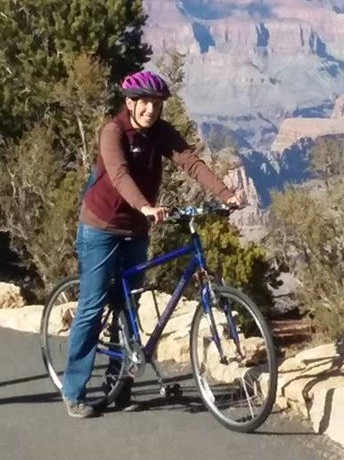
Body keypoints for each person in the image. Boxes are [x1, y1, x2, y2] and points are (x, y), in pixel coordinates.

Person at [61, 70, 244, 418]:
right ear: (130, 103)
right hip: (101, 226)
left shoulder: (161, 133)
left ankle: (120, 387)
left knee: (129, 305)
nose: (150, 110)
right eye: (144, 103)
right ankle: (74, 391)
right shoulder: (113, 131)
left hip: (136, 230)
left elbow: (190, 162)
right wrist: (144, 205)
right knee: (92, 304)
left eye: (156, 104)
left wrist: (226, 194)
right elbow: (119, 175)